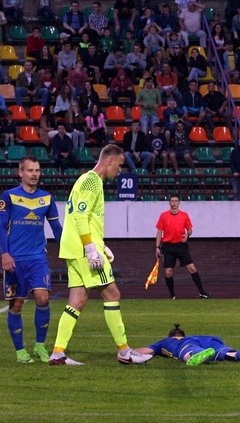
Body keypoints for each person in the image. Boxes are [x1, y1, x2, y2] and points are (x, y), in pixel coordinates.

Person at [49, 145, 152, 366]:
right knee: (112, 294)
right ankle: (124, 351)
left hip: (73, 249)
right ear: (110, 161)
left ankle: (58, 353)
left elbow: (84, 218)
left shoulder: (86, 180)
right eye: (120, 165)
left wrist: (101, 245)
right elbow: (80, 216)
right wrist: (91, 248)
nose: (120, 170)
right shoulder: (92, 181)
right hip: (83, 250)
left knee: (77, 300)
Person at [0, 157, 63, 364]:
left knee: (43, 299)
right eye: (30, 170)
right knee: (17, 304)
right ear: (21, 172)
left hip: (37, 258)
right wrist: (4, 254)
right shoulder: (9, 196)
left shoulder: (47, 198)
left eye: (37, 170)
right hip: (15, 260)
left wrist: (69, 249)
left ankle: (40, 346)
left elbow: (56, 228)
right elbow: (1, 228)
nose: (34, 174)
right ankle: (20, 351)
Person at [133, 323, 240, 366]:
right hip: (211, 340)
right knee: (231, 355)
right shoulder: (195, 336)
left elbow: (145, 351)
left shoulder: (167, 342)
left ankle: (195, 356)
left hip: (189, 345)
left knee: (188, 352)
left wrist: (128, 351)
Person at [155, 195, 210, 300]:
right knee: (168, 272)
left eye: (176, 201)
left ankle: (202, 292)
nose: (174, 203)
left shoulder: (184, 215)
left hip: (181, 246)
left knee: (192, 268)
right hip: (168, 246)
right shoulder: (163, 216)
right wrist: (157, 247)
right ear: (169, 203)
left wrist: (187, 235)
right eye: (172, 201)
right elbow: (159, 232)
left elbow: (190, 230)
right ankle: (172, 295)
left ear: (179, 203)